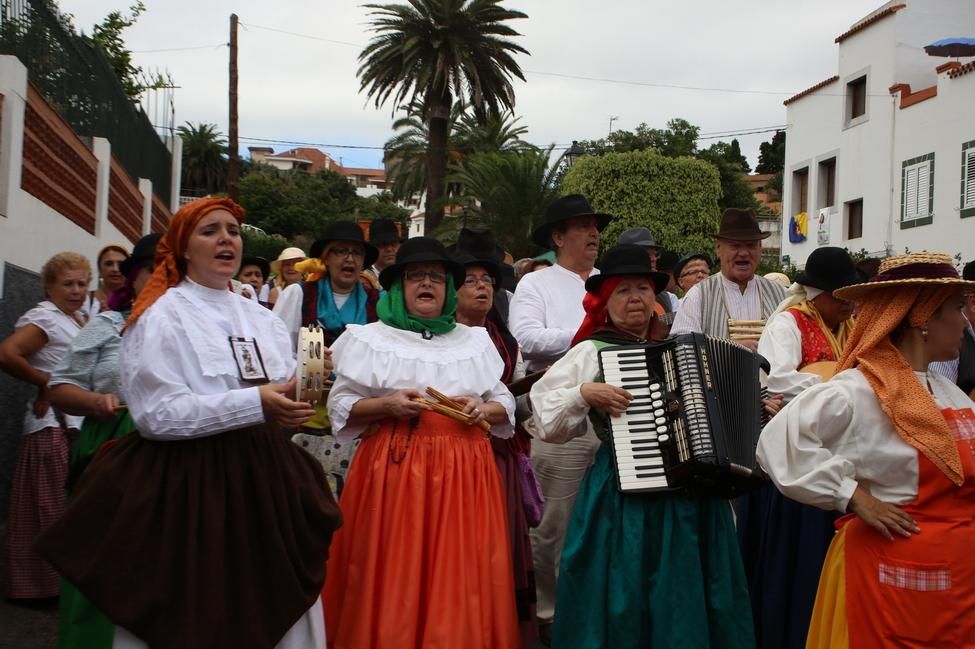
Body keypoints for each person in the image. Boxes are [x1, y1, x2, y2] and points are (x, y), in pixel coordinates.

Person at [35, 197, 341, 649]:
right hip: (189, 483)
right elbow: (156, 416)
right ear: (182, 247)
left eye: (233, 231)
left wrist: (300, 391)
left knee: (272, 602)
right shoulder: (158, 315)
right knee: (191, 608)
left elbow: (274, 394)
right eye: (209, 231)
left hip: (264, 480)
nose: (226, 239)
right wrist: (256, 402)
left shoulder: (263, 318)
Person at [529, 245, 753, 648]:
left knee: (689, 584)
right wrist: (583, 392)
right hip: (620, 493)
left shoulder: (686, 346)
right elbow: (546, 419)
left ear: (655, 298)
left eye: (643, 289)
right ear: (605, 301)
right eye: (623, 290)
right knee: (624, 584)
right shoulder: (590, 350)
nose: (635, 298)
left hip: (694, 495)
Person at [757, 252, 975, 648]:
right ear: (922, 318)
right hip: (889, 583)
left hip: (953, 587)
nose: (965, 321)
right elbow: (778, 441)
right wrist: (851, 495)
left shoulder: (947, 391)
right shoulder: (860, 389)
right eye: (957, 309)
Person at [322, 237, 519, 648]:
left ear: (448, 288)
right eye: (415, 276)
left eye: (436, 276)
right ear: (399, 286)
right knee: (394, 570)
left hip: (466, 472)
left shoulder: (474, 341)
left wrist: (483, 411)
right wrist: (386, 404)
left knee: (459, 572)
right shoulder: (369, 339)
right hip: (395, 468)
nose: (426, 283)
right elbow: (340, 405)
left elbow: (503, 403)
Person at [737, 247, 861, 649]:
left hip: (839, 450)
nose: (848, 304)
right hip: (797, 451)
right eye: (841, 295)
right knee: (794, 553)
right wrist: (831, 387)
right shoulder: (788, 324)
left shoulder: (848, 326)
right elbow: (775, 379)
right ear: (817, 293)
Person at [46, 234, 158, 649]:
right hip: (112, 444)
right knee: (101, 555)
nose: (163, 278)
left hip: (173, 451)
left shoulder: (199, 329)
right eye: (152, 269)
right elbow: (59, 385)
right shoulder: (109, 324)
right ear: (134, 278)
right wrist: (96, 401)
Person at [509, 194, 611, 642]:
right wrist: (588, 338)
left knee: (605, 516)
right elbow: (526, 338)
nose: (594, 234)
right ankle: (548, 614)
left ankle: (593, 605)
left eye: (595, 226)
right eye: (583, 226)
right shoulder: (537, 284)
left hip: (614, 412)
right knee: (552, 524)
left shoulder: (611, 281)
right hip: (558, 410)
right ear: (558, 237)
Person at [454, 251, 539, 648]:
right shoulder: (440, 339)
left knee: (500, 541)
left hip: (500, 453)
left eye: (486, 280)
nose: (481, 287)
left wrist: (537, 390)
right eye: (470, 280)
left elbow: (518, 402)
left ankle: (496, 625)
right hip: (453, 456)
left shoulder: (506, 340)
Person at [0, 252, 89, 601]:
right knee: (46, 509)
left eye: (81, 283)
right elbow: (8, 353)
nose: (76, 290)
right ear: (49, 287)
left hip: (71, 422)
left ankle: (55, 586)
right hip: (51, 425)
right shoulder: (46, 318)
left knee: (60, 507)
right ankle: (39, 589)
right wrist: (46, 384)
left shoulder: (76, 319)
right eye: (67, 284)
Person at [273, 221, 381, 496]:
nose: (349, 258)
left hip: (354, 417)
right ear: (326, 258)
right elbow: (276, 351)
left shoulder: (377, 302)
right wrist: (310, 364)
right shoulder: (298, 294)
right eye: (341, 251)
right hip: (305, 414)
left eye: (356, 253)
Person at [670, 208, 786, 352]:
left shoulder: (781, 296)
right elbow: (682, 348)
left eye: (750, 245)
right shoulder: (699, 295)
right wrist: (727, 349)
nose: (743, 253)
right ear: (718, 248)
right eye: (735, 245)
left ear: (760, 248)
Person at [617, 227, 679, 317]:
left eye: (655, 254)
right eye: (646, 254)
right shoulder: (611, 294)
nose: (654, 259)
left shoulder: (666, 297)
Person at [82, 245, 129, 320]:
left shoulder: (136, 302)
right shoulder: (84, 300)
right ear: (100, 269)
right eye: (109, 264)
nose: (115, 269)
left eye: (121, 264)